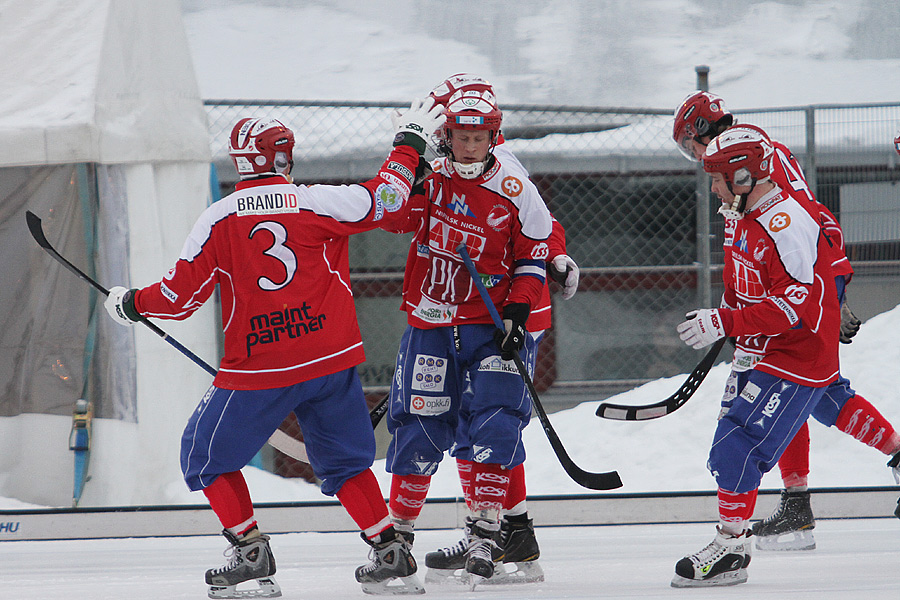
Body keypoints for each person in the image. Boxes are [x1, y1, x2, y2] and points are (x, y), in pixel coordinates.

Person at [102, 99, 445, 598]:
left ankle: (249, 554)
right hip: (331, 359)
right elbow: (390, 198)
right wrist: (409, 143)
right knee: (347, 463)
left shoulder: (217, 218)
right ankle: (390, 552)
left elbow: (178, 299)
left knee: (204, 456)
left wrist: (132, 303)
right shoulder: (320, 201)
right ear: (284, 159)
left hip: (261, 368)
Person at [670, 125, 900, 587]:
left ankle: (732, 547)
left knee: (736, 447)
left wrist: (727, 323)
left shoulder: (783, 223)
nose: (712, 187)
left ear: (742, 177)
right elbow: (747, 281)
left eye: (717, 178)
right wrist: (730, 320)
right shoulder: (746, 212)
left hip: (794, 355)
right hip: (769, 348)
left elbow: (796, 306)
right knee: (756, 433)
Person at [384, 73, 577, 586]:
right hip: (451, 311)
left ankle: (497, 529)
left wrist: (548, 265)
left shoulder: (500, 166)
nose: (465, 139)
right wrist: (406, 158)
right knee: (456, 422)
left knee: (489, 422)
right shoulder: (441, 165)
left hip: (507, 310)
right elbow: (392, 211)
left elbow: (537, 225)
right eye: (453, 125)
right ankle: (505, 530)